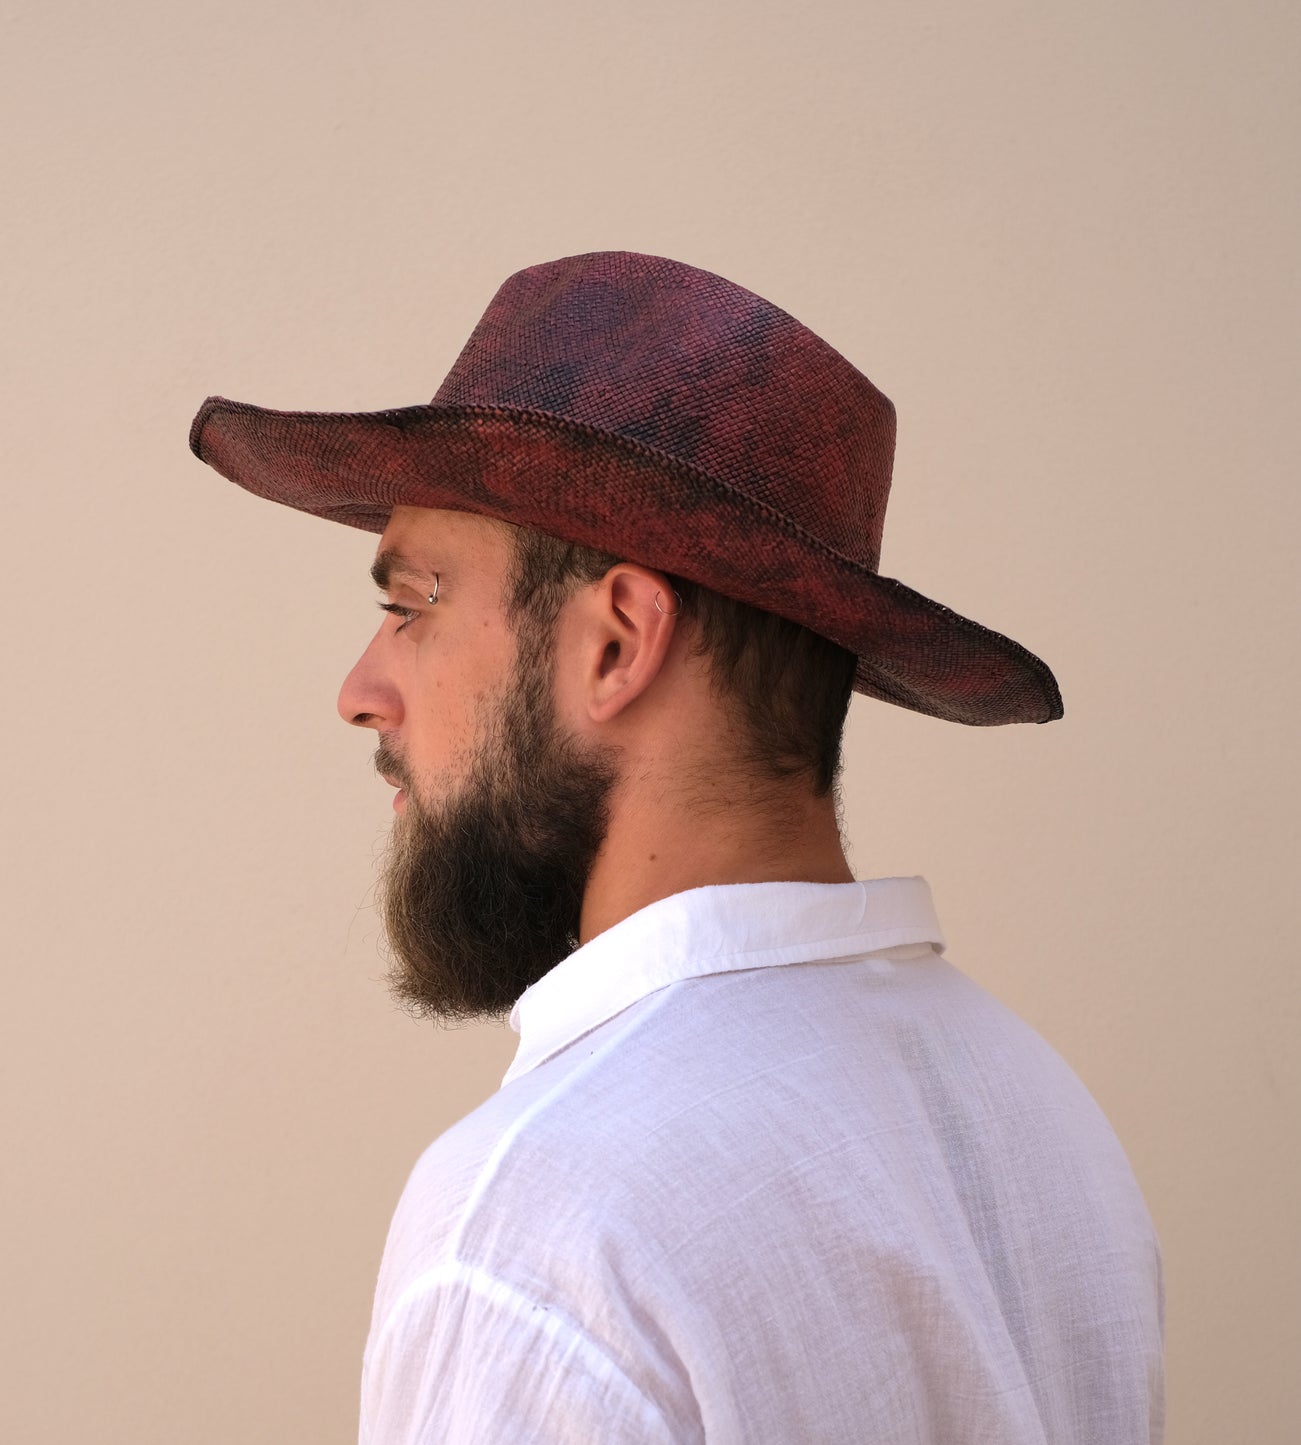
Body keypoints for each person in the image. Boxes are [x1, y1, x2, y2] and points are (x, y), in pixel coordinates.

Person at [190, 251, 1165, 1443]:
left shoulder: (541, 1227)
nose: (360, 689)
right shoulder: (1036, 1112)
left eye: (411, 605)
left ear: (614, 643)